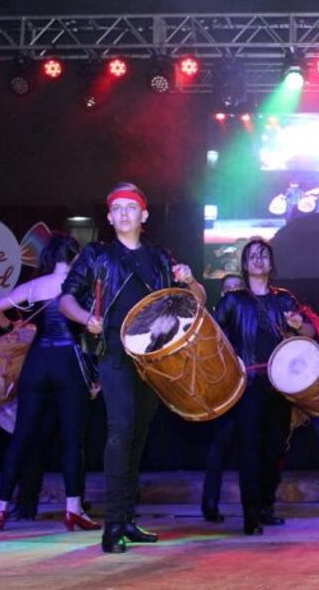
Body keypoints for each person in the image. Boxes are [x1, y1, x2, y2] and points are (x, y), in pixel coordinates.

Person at [60, 182, 206, 553]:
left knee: (138, 438)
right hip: (116, 353)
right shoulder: (96, 254)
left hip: (155, 359)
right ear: (109, 217)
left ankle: (126, 518)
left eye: (131, 208)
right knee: (119, 431)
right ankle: (112, 527)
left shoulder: (159, 258)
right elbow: (66, 299)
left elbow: (196, 301)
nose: (124, 214)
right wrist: (85, 317)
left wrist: (192, 281)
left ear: (144, 215)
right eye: (117, 209)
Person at [0, 234, 98, 533]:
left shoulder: (35, 286)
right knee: (73, 440)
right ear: (75, 257)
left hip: (36, 363)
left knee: (21, 436)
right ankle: (73, 509)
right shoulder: (80, 286)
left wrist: (13, 325)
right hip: (67, 361)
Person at [213, 238, 316, 534]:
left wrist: (298, 325)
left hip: (279, 386)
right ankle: (250, 515)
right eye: (253, 256)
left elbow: (309, 333)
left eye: (264, 256)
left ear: (271, 264)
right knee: (248, 449)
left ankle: (266, 506)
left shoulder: (284, 299)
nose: (258, 260)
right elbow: (213, 339)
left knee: (273, 449)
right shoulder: (232, 300)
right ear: (245, 265)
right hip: (246, 386)